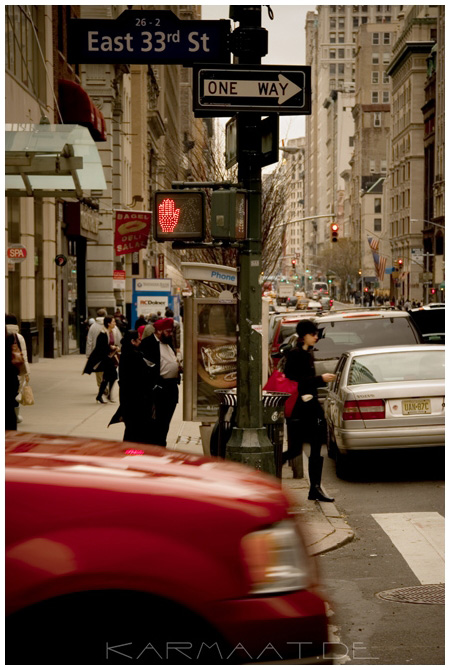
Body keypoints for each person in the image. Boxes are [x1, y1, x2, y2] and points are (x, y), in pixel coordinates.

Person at [282, 320, 336, 503]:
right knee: (295, 449)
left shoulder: (307, 353)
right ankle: (264, 472)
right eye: (313, 334)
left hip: (311, 408)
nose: (316, 337)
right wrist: (321, 378)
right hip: (300, 409)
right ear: (304, 335)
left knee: (316, 445)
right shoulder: (296, 355)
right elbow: (296, 381)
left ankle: (315, 488)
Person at [139, 317, 182, 447]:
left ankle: (161, 443)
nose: (171, 333)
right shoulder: (148, 343)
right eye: (168, 331)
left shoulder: (168, 343)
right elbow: (146, 368)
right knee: (157, 422)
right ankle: (157, 445)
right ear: (159, 330)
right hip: (159, 389)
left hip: (171, 388)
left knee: (166, 422)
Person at [109, 330, 157, 444]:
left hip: (131, 398)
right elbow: (141, 376)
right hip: (135, 399)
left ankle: (132, 453)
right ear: (133, 341)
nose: (140, 341)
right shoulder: (133, 356)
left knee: (133, 428)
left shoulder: (129, 353)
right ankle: (133, 453)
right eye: (138, 339)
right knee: (135, 429)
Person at [83, 316, 120, 404]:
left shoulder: (112, 332)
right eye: (113, 322)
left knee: (108, 377)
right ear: (108, 323)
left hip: (111, 357)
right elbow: (101, 347)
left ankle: (101, 395)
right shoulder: (103, 333)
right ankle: (105, 395)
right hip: (105, 358)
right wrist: (111, 347)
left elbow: (114, 342)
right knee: (112, 376)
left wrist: (115, 347)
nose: (115, 323)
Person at [5, 313, 30, 424]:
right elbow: (23, 355)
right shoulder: (18, 337)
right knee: (14, 395)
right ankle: (15, 416)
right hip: (14, 371)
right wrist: (26, 372)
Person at [5, 329, 21, 430]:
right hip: (10, 376)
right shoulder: (11, 336)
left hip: (9, 376)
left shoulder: (11, 336)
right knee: (9, 406)